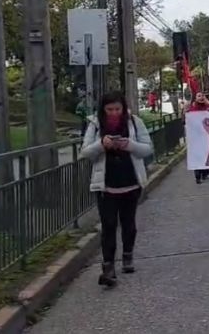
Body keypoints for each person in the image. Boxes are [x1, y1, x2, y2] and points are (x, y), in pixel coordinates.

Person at [80, 91, 154, 286]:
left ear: (123, 108)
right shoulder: (95, 124)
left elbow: (147, 148)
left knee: (128, 222)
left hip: (130, 181)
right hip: (105, 185)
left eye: (117, 109)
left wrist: (128, 145)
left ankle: (128, 255)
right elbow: (85, 152)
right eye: (109, 110)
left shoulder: (134, 122)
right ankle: (108, 267)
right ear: (103, 110)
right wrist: (101, 145)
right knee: (109, 225)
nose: (114, 113)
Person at [189, 92, 209, 184]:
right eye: (199, 96)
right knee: (197, 155)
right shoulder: (193, 107)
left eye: (203, 96)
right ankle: (198, 176)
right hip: (195, 136)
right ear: (195, 98)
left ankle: (205, 173)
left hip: (206, 135)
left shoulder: (207, 107)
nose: (201, 97)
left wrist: (208, 104)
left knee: (206, 154)